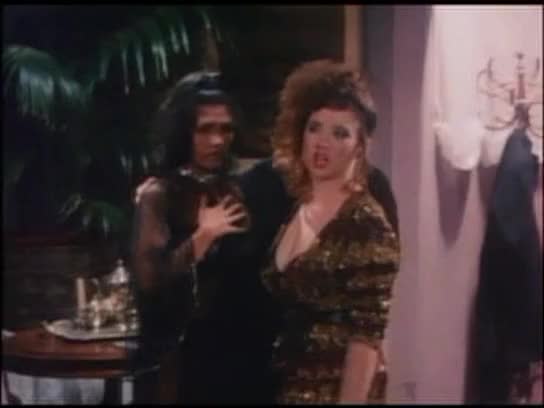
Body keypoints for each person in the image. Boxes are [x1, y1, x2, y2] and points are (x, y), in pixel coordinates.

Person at [132, 66, 400, 404]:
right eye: (314, 128)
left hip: (291, 372)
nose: (216, 140)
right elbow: (151, 283)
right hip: (213, 361)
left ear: (360, 144)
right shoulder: (166, 193)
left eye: (225, 129)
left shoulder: (269, 187)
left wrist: (370, 363)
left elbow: (370, 314)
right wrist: (200, 237)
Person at [260, 59, 401, 404]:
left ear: (359, 145)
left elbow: (366, 337)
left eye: (340, 134)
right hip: (290, 385)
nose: (322, 143)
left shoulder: (365, 223)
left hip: (336, 392)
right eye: (315, 128)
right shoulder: (297, 208)